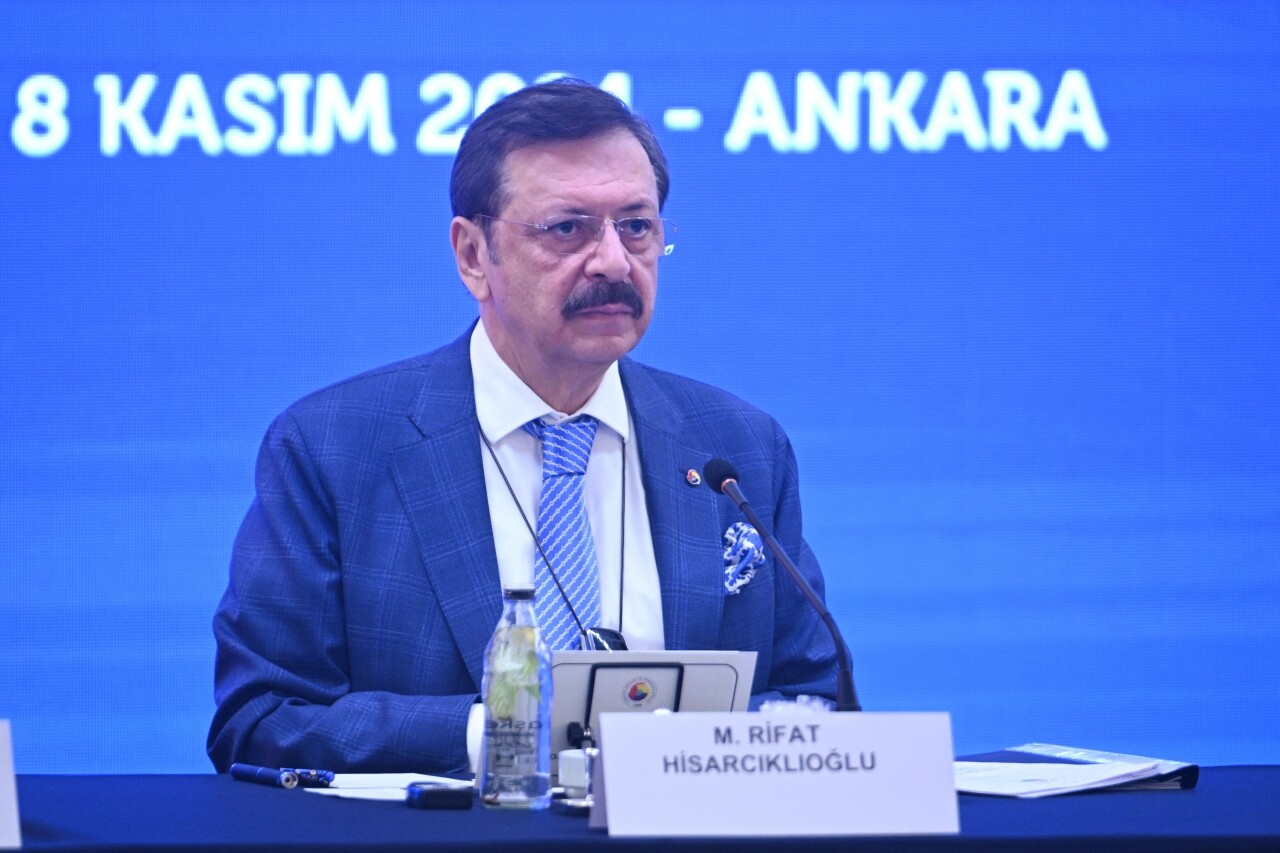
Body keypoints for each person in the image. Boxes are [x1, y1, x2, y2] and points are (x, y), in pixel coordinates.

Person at [208, 78, 841, 776]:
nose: (612, 261)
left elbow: (815, 703)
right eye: (567, 228)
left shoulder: (740, 448)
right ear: (473, 255)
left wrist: (681, 752)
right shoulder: (333, 449)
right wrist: (511, 735)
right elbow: (262, 719)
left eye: (636, 227)